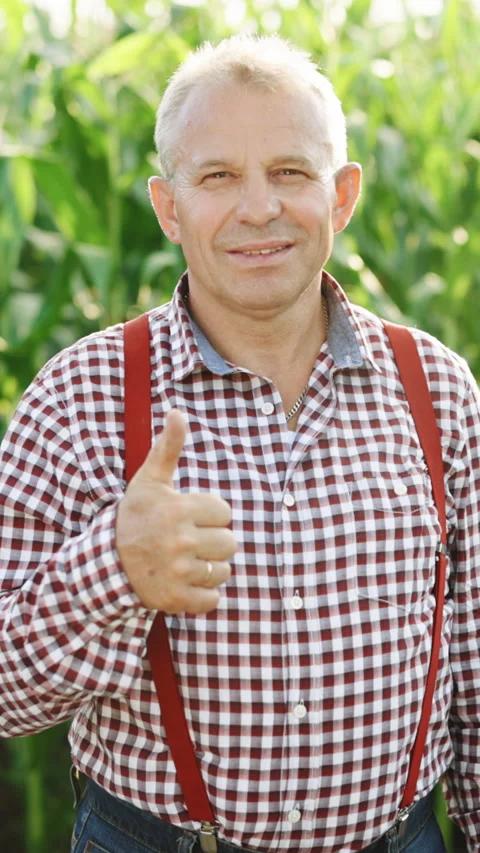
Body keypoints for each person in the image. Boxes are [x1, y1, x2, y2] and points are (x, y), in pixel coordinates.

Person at [0, 31, 478, 853]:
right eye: (218, 176)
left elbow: (473, 662)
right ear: (168, 206)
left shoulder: (438, 390)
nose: (259, 207)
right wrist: (114, 571)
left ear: (342, 195)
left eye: (290, 172)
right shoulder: (80, 397)